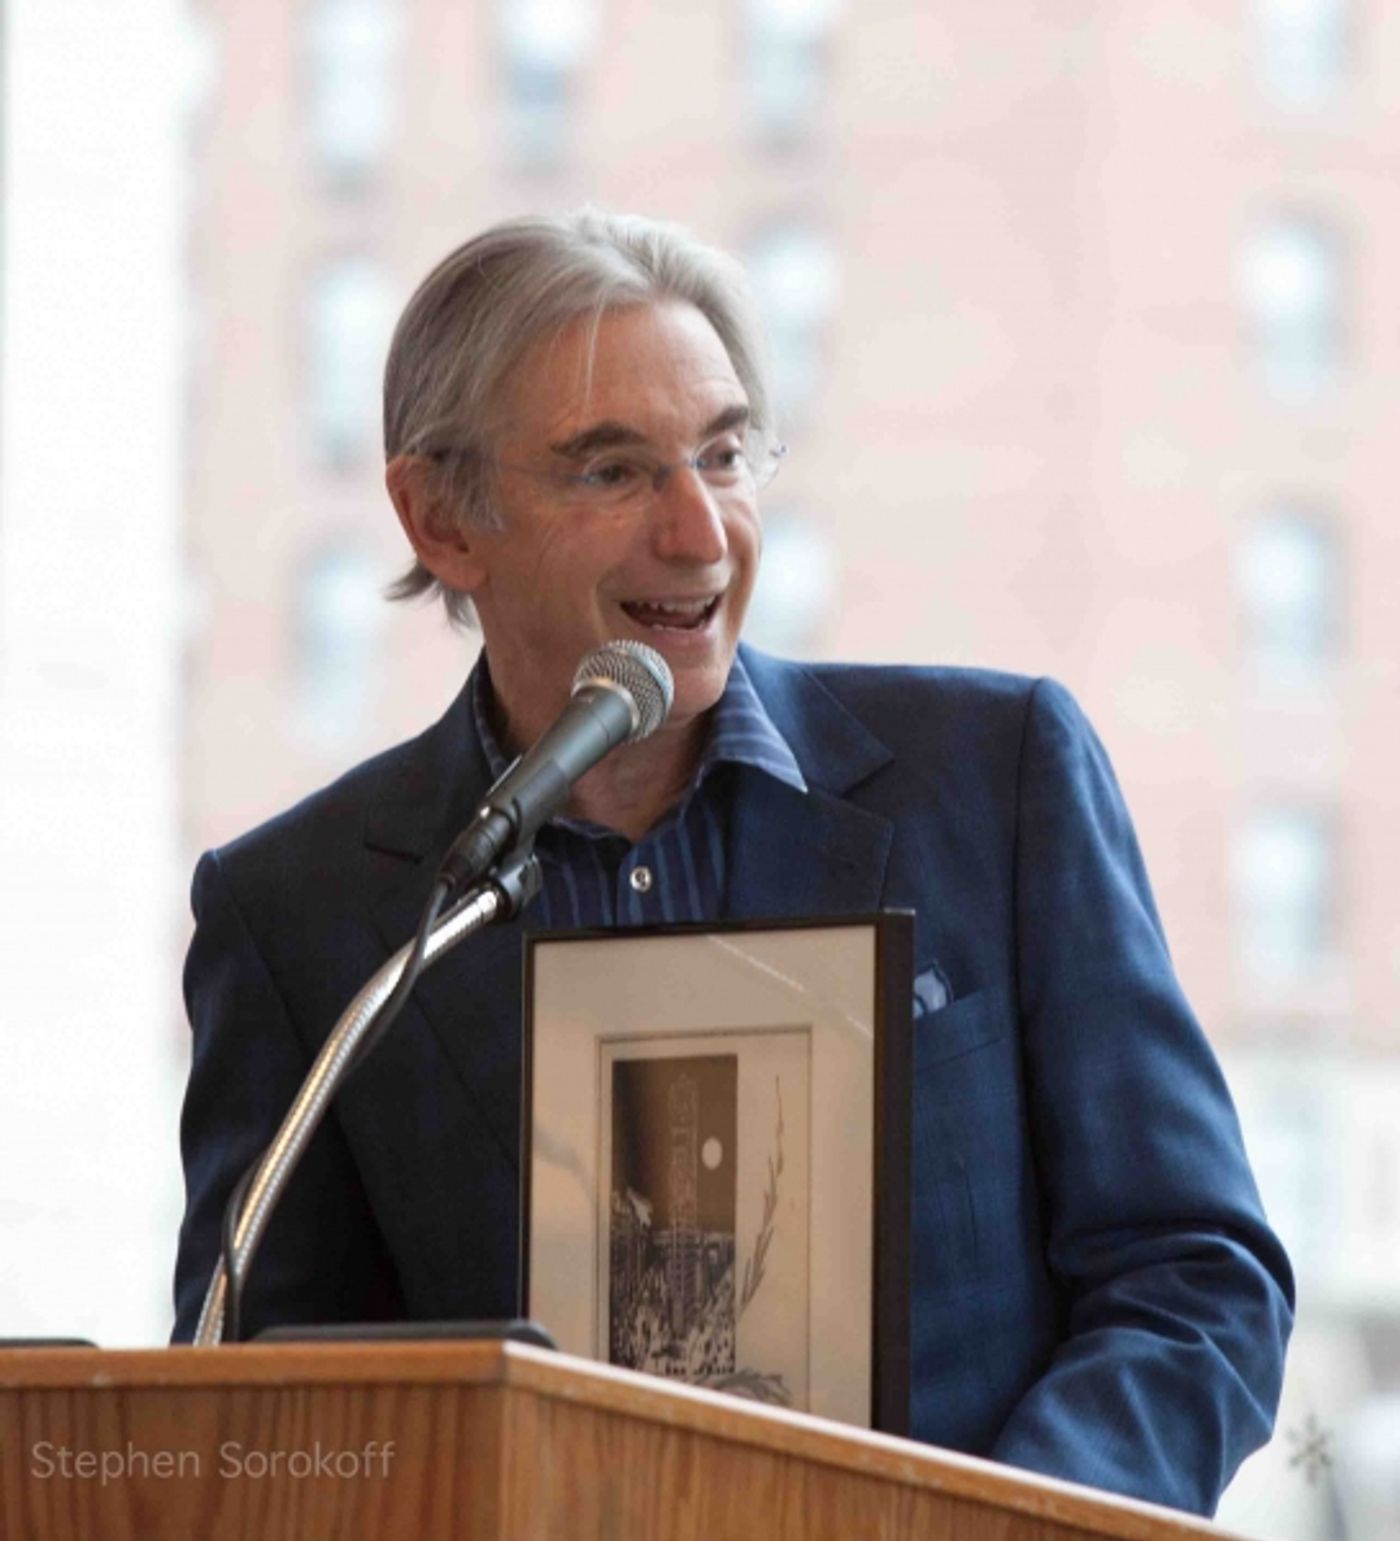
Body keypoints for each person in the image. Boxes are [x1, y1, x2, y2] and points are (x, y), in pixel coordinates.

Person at [173, 209, 1293, 1516]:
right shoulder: (302, 915)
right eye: (612, 471)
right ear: (441, 519)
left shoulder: (998, 780)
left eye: (722, 454)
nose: (701, 532)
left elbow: (1195, 1274)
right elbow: (266, 1420)